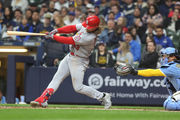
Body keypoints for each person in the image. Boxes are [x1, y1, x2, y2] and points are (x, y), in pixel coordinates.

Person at [30, 15, 112, 109]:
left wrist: (54, 37)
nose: (86, 27)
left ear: (95, 27)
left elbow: (69, 40)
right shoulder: (86, 25)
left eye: (89, 26)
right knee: (57, 77)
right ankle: (43, 99)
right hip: (70, 56)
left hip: (79, 61)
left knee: (78, 87)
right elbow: (72, 28)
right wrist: (57, 30)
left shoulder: (90, 37)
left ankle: (103, 96)